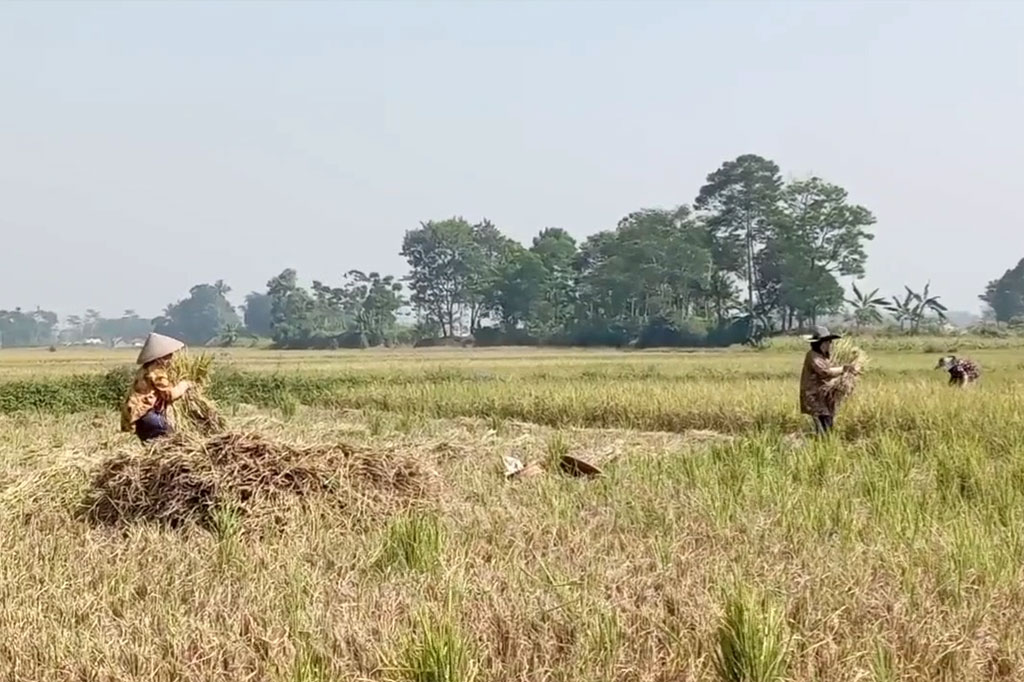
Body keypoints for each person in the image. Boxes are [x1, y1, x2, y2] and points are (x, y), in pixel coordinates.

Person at [120, 332, 192, 442]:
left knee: (158, 446)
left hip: (141, 417)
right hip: (146, 416)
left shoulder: (145, 369)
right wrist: (185, 385)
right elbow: (169, 395)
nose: (171, 359)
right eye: (168, 356)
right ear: (160, 358)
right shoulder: (156, 371)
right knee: (171, 438)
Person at [799, 326, 855, 435]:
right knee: (824, 424)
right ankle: (822, 445)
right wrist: (843, 369)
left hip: (824, 396)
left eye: (830, 342)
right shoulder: (813, 356)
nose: (829, 344)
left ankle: (822, 444)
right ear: (820, 343)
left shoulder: (825, 357)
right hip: (814, 397)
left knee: (827, 423)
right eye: (827, 342)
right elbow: (825, 372)